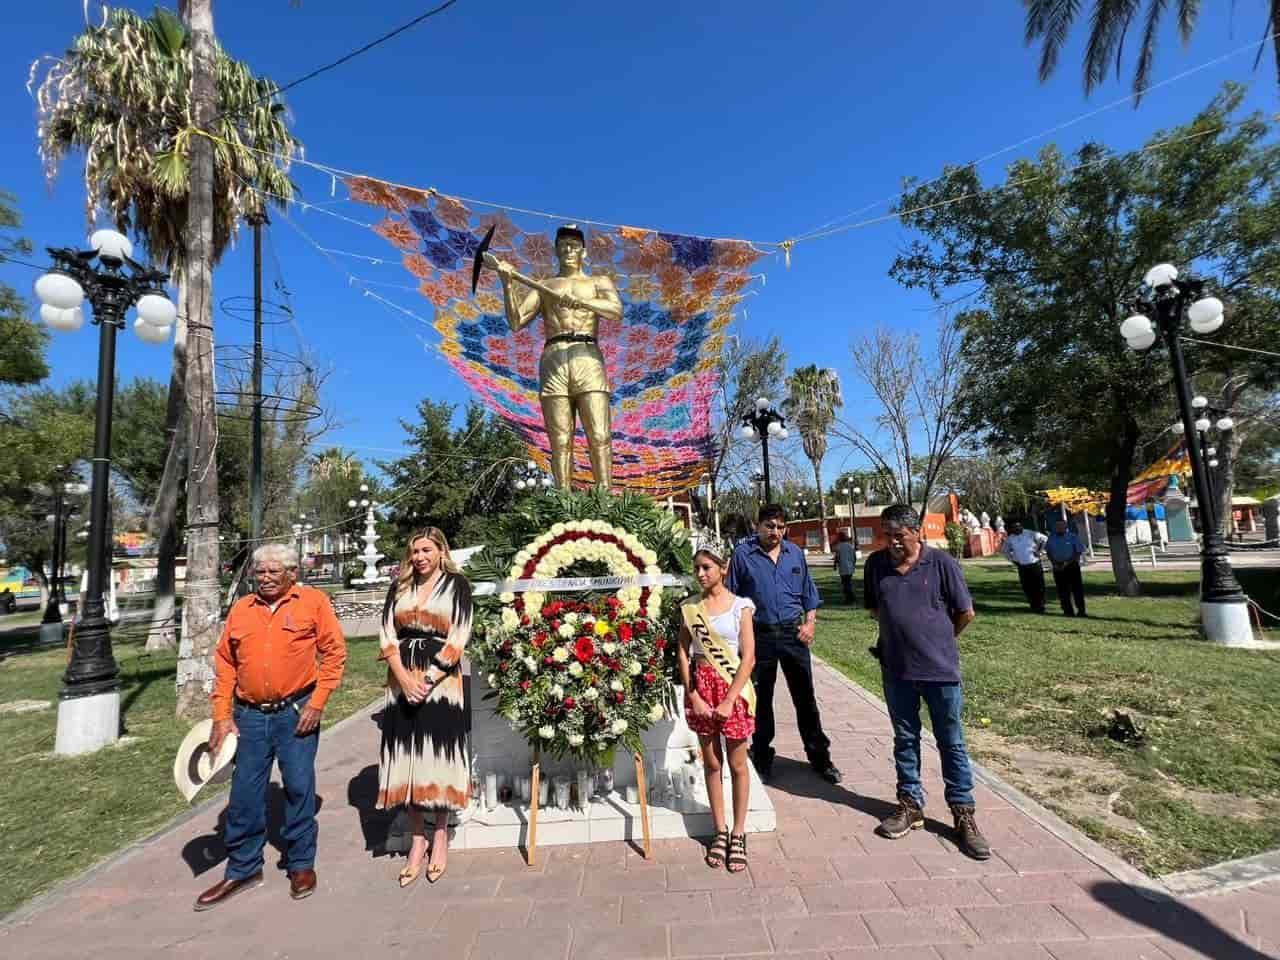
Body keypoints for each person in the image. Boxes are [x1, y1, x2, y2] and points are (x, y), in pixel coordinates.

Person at [195, 543, 347, 911]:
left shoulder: (313, 602)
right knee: (245, 793)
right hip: (248, 716)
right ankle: (244, 867)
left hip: (297, 712)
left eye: (273, 572)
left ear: (292, 574)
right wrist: (221, 715)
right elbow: (226, 663)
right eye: (260, 572)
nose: (264, 578)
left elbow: (335, 653)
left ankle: (300, 864)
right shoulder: (242, 609)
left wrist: (318, 702)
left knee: (297, 786)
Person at [864, 504, 990, 860]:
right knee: (905, 739)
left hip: (940, 673)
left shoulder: (942, 564)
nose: (892, 543)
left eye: (898, 535)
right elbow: (875, 609)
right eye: (886, 535)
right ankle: (910, 804)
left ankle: (963, 813)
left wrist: (938, 641)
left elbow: (965, 613)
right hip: (896, 671)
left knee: (951, 742)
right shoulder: (876, 566)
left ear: (916, 531)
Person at [376, 527, 473, 886]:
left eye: (426, 550)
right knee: (408, 759)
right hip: (401, 677)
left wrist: (428, 680)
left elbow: (459, 635)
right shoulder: (398, 587)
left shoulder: (457, 586)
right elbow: (386, 632)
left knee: (438, 757)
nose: (419, 557)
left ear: (441, 551)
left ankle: (441, 836)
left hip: (442, 681)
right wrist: (403, 677)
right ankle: (418, 840)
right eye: (414, 551)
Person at [496, 224, 622, 489]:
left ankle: (606, 499)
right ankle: (563, 501)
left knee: (599, 434)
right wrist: (507, 284)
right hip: (554, 358)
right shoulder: (544, 286)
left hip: (587, 356)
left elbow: (615, 311)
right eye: (563, 245)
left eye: (574, 245)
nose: (568, 249)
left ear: (584, 252)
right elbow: (516, 321)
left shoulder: (598, 282)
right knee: (560, 439)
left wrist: (583, 302)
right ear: (556, 250)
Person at [727, 504, 840, 784]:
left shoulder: (795, 554)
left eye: (779, 526)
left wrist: (810, 622)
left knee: (805, 697)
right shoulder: (743, 555)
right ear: (758, 526)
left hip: (793, 634)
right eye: (769, 526)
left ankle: (819, 757)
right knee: (761, 699)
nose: (774, 532)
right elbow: (732, 598)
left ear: (785, 527)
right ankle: (762, 756)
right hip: (758, 636)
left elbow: (809, 594)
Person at [678, 543, 757, 873]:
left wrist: (728, 700)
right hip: (702, 689)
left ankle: (739, 832)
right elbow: (682, 652)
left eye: (707, 567)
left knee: (738, 765)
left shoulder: (742, 607)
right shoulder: (688, 608)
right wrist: (693, 692)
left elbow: (749, 656)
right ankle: (720, 830)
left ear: (723, 569)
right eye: (697, 568)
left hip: (733, 691)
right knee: (711, 763)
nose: (700, 573)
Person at [1001, 520, 1048, 613]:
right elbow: (1005, 551)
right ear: (1012, 529)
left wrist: (1040, 551)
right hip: (1022, 566)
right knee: (1027, 586)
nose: (1017, 529)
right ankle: (1033, 604)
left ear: (1021, 527)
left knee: (1039, 586)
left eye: (1018, 527)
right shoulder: (1010, 538)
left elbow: (1044, 539)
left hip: (1034, 563)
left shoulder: (1030, 533)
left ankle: (1041, 605)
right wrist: (1013, 560)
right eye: (1014, 528)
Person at [1045, 519, 1087, 618]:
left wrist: (1067, 563)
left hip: (1071, 566)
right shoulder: (1051, 538)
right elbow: (1048, 552)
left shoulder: (1073, 537)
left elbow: (1078, 552)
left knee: (1077, 589)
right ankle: (1067, 611)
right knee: (1062, 590)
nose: (1059, 528)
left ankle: (1081, 611)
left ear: (1066, 527)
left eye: (1061, 526)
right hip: (1057, 566)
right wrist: (1054, 563)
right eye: (1057, 526)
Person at [833, 530, 858, 604]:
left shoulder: (839, 546)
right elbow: (854, 557)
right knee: (848, 583)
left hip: (843, 568)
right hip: (850, 568)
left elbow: (837, 557)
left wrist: (835, 565)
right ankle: (850, 598)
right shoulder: (850, 546)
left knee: (845, 584)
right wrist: (853, 564)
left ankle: (850, 598)